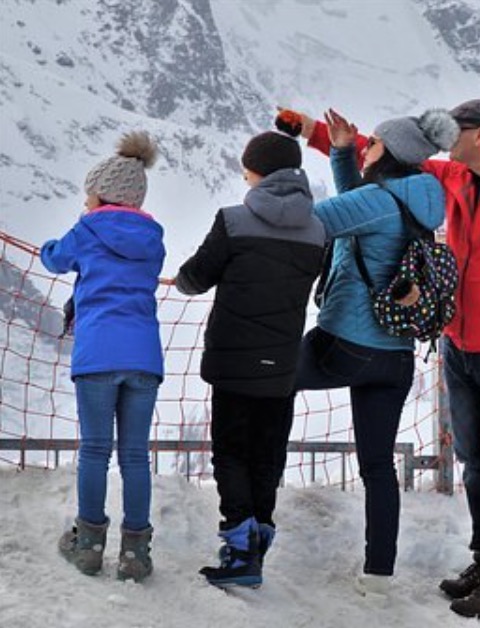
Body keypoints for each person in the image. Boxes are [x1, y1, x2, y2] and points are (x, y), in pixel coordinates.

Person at [287, 99, 480, 616]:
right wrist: (317, 134)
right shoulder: (454, 176)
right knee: (474, 462)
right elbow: (387, 156)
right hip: (459, 344)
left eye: (457, 129)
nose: (447, 138)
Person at [289, 107, 458, 596]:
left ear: (392, 154)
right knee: (378, 466)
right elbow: (362, 208)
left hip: (345, 342)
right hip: (394, 357)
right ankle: (379, 573)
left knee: (272, 379)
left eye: (375, 144)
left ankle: (254, 509)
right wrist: (343, 154)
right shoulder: (416, 200)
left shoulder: (377, 201)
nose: (368, 148)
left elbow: (313, 221)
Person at [174, 122, 327, 588]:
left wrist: (184, 279)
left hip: (234, 361)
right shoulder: (318, 230)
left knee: (231, 453)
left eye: (247, 170)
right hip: (282, 364)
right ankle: (258, 539)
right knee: (267, 455)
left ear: (258, 172)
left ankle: (240, 550)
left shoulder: (233, 221)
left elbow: (195, 277)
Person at [43, 131, 164, 583]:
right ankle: (135, 554)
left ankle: (89, 546)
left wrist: (56, 242)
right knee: (135, 455)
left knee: (95, 450)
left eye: (90, 192)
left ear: (102, 194)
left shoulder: (87, 229)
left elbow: (55, 259)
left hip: (97, 354)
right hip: (144, 357)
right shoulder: (153, 237)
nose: (86, 199)